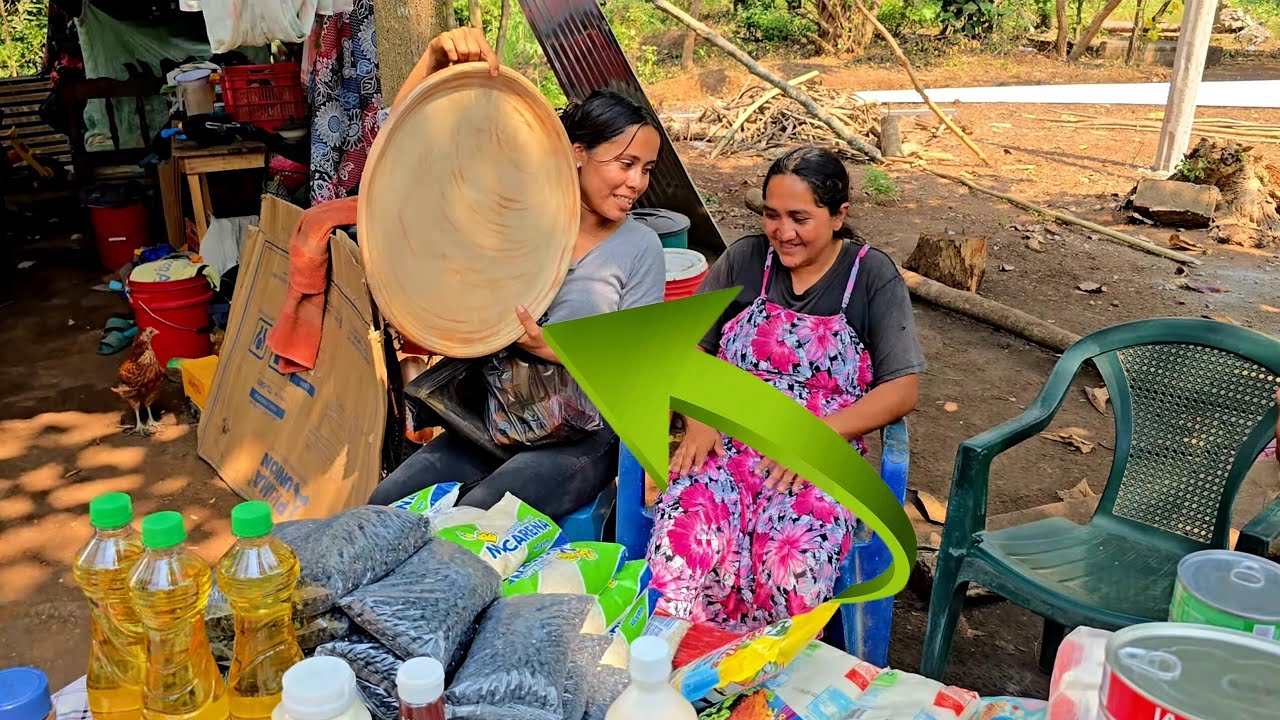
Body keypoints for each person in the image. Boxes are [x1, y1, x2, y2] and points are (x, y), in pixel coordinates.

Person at [368, 29, 668, 519]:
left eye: (647, 168)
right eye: (625, 163)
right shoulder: (518, 217)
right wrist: (433, 60)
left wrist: (549, 346)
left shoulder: (640, 248)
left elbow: (637, 363)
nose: (637, 182)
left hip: (579, 437)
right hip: (493, 417)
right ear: (576, 152)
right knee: (385, 507)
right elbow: (406, 156)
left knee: (477, 519)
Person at [647, 147, 925, 631]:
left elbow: (901, 389)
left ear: (839, 216)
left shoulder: (871, 276)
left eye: (800, 217)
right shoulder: (745, 260)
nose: (782, 232)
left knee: (791, 567)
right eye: (772, 216)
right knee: (681, 544)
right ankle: (684, 676)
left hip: (816, 453)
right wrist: (699, 417)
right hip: (725, 442)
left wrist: (812, 440)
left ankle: (768, 683)